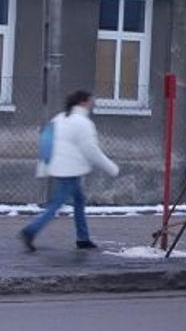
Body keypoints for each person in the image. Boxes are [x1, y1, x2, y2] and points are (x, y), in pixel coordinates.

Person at [20, 90, 119, 252]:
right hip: (70, 169)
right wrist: (111, 167)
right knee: (57, 203)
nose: (92, 104)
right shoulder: (83, 123)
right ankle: (30, 230)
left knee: (79, 199)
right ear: (82, 102)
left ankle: (83, 238)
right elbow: (90, 150)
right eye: (90, 101)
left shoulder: (59, 118)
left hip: (58, 165)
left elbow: (46, 141)